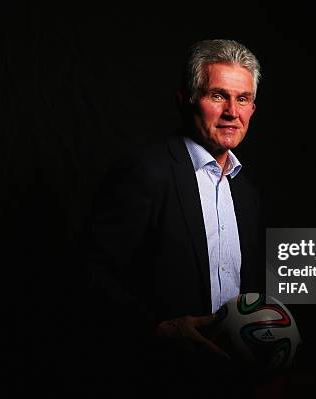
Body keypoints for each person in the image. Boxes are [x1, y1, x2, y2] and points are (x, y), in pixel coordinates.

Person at [79, 39, 264, 396]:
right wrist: (158, 328)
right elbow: (89, 271)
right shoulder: (146, 172)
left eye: (242, 99)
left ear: (252, 109)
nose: (231, 112)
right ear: (187, 100)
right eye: (217, 96)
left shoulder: (247, 193)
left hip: (236, 378)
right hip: (161, 378)